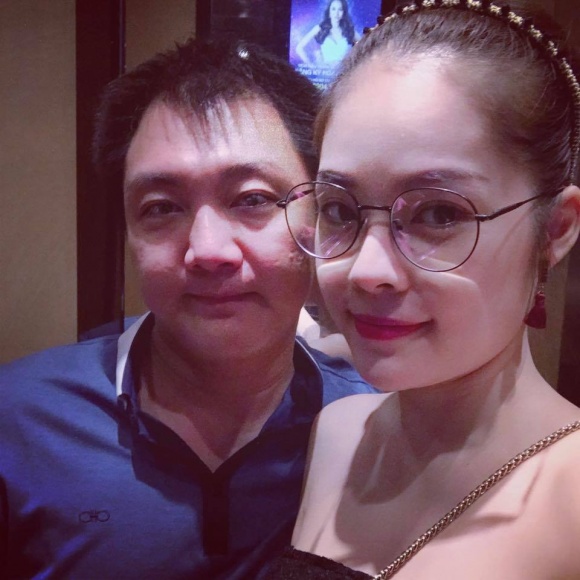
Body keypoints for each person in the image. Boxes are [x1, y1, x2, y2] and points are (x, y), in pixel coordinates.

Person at [0, 39, 376, 579]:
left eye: (252, 199)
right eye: (161, 208)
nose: (208, 250)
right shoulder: (19, 422)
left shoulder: (380, 433)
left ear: (321, 216)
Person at [269, 0, 580, 577]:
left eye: (439, 213)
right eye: (338, 209)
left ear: (555, 229)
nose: (366, 271)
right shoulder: (336, 432)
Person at [295, 0, 359, 67]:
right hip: (325, 72)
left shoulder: (349, 30)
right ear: (329, 11)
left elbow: (364, 48)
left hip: (344, 72)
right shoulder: (320, 28)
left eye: (340, 9)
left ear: (344, 12)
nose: (336, 13)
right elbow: (299, 48)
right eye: (333, 9)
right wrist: (310, 65)